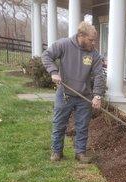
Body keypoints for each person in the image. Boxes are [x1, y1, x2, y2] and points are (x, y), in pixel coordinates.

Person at [42, 21, 105, 163]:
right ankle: (57, 152)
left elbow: (99, 75)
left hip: (84, 96)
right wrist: (53, 72)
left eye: (94, 40)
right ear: (81, 36)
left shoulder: (93, 54)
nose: (93, 43)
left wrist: (97, 96)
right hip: (65, 94)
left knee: (82, 126)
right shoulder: (64, 45)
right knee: (59, 124)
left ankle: (80, 153)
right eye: (91, 40)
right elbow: (46, 56)